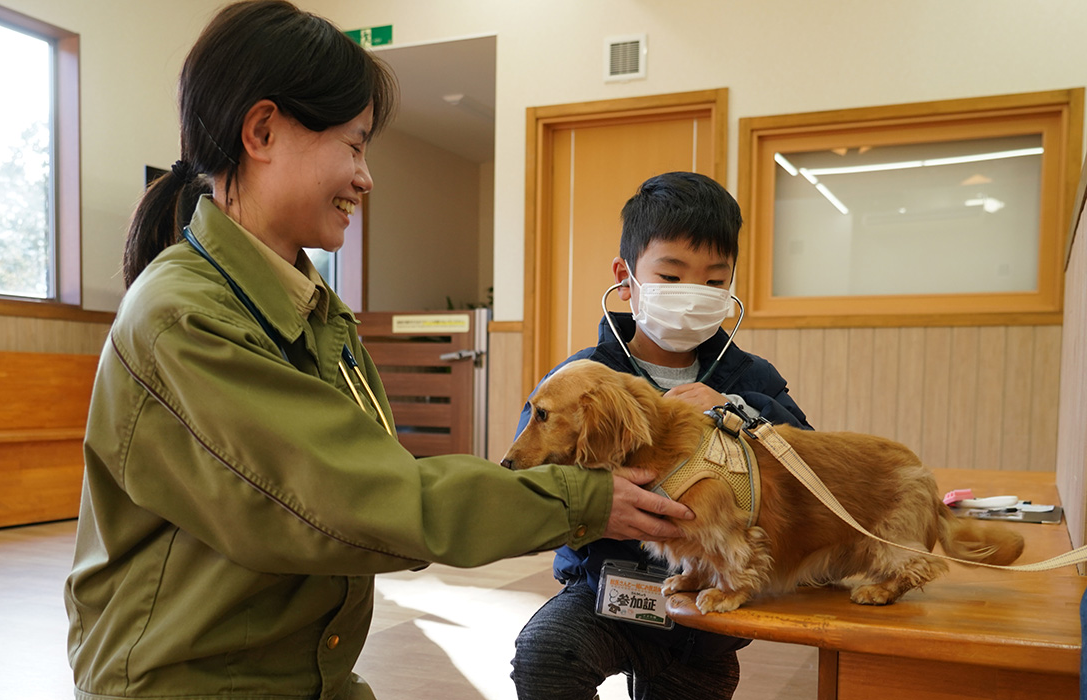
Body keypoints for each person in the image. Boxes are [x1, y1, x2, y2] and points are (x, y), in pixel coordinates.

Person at [63, 3, 694, 699]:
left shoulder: (315, 309)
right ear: (263, 131)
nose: (366, 178)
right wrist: (579, 500)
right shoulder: (183, 319)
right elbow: (354, 501)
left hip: (308, 674)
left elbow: (372, 480)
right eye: (355, 146)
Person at [510, 171, 812, 700]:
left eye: (714, 283)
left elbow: (808, 467)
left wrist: (737, 409)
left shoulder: (751, 379)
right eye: (671, 277)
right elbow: (524, 488)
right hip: (603, 592)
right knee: (547, 656)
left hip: (707, 612)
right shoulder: (579, 379)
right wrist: (595, 500)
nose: (693, 296)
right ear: (625, 277)